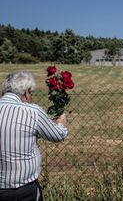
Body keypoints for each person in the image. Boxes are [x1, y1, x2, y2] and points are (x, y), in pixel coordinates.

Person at [0, 71, 68, 201]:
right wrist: (61, 120)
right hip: (23, 191)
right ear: (26, 93)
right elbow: (58, 135)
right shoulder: (32, 112)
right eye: (31, 93)